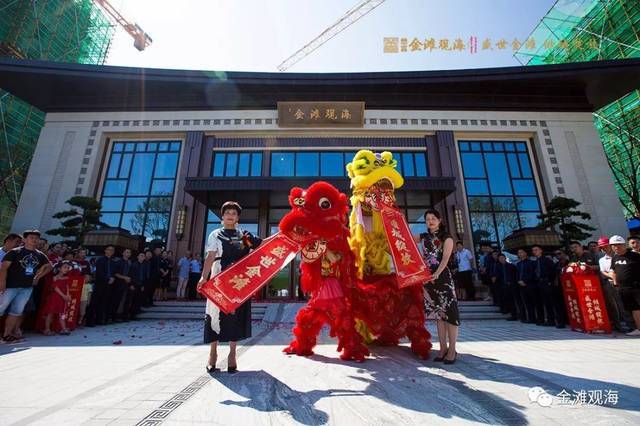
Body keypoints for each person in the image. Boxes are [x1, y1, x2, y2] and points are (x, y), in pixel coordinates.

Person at [198, 201, 262, 373]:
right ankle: (213, 353)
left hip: (239, 281)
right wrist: (204, 277)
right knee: (214, 314)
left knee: (236, 314)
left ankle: (233, 354)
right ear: (223, 216)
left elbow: (262, 247)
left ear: (238, 217)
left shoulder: (244, 236)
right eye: (227, 213)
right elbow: (210, 257)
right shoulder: (215, 234)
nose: (230, 216)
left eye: (234, 213)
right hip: (219, 278)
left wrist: (281, 236)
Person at [415, 208, 459, 365]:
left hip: (442, 279)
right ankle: (442, 349)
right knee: (439, 316)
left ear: (439, 220)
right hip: (428, 280)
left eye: (433, 218)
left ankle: (452, 350)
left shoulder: (447, 238)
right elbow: (404, 240)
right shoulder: (423, 237)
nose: (430, 221)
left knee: (450, 315)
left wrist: (437, 274)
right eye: (427, 219)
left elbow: (445, 259)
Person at [0, 230, 52, 343]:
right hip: (10, 286)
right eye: (31, 237)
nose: (34, 240)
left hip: (26, 287)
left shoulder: (39, 254)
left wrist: (37, 277)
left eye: (36, 238)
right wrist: (2, 283)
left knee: (16, 311)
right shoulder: (15, 252)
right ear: (25, 239)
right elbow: (3, 268)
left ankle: (7, 335)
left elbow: (49, 266)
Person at [609, 235, 640, 336]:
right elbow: (613, 271)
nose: (616, 247)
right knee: (632, 309)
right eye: (613, 245)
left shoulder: (635, 256)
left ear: (624, 245)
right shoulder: (614, 258)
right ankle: (637, 329)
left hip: (636, 287)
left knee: (638, 308)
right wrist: (615, 283)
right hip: (623, 289)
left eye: (618, 245)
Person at [598, 236, 630, 332]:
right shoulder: (602, 259)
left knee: (624, 304)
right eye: (602, 247)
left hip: (623, 283)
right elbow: (603, 271)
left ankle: (630, 325)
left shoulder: (619, 256)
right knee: (612, 305)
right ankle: (617, 325)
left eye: (605, 246)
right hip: (609, 283)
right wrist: (612, 277)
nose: (604, 249)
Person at [85, 245, 118, 326]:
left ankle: (99, 320)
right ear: (105, 251)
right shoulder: (100, 260)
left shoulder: (113, 262)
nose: (110, 251)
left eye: (112, 250)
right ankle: (90, 321)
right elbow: (99, 272)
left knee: (104, 302)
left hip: (109, 284)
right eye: (108, 250)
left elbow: (114, 272)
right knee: (95, 302)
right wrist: (108, 279)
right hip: (100, 283)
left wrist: (112, 278)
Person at [532, 245, 561, 327]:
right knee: (545, 302)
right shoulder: (536, 261)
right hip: (539, 283)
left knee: (552, 302)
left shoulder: (547, 260)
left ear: (541, 250)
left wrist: (550, 281)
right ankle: (549, 319)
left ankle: (557, 320)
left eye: (536, 250)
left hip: (547, 282)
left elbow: (552, 271)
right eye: (533, 250)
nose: (535, 252)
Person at [42, 261, 73, 336]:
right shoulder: (55, 277)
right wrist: (63, 296)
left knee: (62, 313)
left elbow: (67, 287)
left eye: (67, 268)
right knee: (50, 313)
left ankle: (63, 328)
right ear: (59, 268)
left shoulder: (66, 277)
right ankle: (47, 329)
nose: (66, 269)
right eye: (65, 267)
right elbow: (55, 288)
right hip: (54, 298)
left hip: (62, 299)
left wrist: (68, 295)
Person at [494, 253, 518, 321]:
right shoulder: (498, 267)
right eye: (500, 258)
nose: (501, 259)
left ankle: (515, 315)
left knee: (513, 301)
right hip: (503, 286)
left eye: (502, 258)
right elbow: (497, 277)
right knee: (507, 301)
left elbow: (515, 276)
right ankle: (511, 314)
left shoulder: (511, 266)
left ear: (505, 258)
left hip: (511, 286)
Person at [515, 248, 536, 323]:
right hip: (521, 285)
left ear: (525, 253)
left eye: (521, 252)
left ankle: (536, 318)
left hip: (530, 284)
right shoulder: (518, 264)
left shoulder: (531, 262)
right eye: (518, 253)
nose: (520, 254)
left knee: (533, 302)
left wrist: (525, 281)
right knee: (527, 303)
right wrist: (519, 281)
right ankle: (530, 318)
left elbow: (532, 273)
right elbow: (517, 274)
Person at [113, 248, 133, 322]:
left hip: (128, 284)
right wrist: (124, 277)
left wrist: (130, 282)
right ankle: (113, 316)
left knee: (127, 301)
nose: (128, 254)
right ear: (123, 253)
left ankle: (124, 316)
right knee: (116, 300)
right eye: (126, 252)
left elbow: (132, 274)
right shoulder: (118, 262)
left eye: (129, 252)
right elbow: (115, 273)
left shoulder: (130, 263)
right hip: (119, 283)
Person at [129, 252, 148, 320]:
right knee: (133, 300)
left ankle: (136, 312)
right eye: (141, 255)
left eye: (143, 256)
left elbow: (144, 276)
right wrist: (131, 284)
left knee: (138, 299)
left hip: (141, 284)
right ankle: (131, 315)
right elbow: (130, 275)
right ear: (138, 257)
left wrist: (143, 285)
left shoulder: (144, 265)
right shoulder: (134, 264)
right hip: (134, 284)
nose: (142, 257)